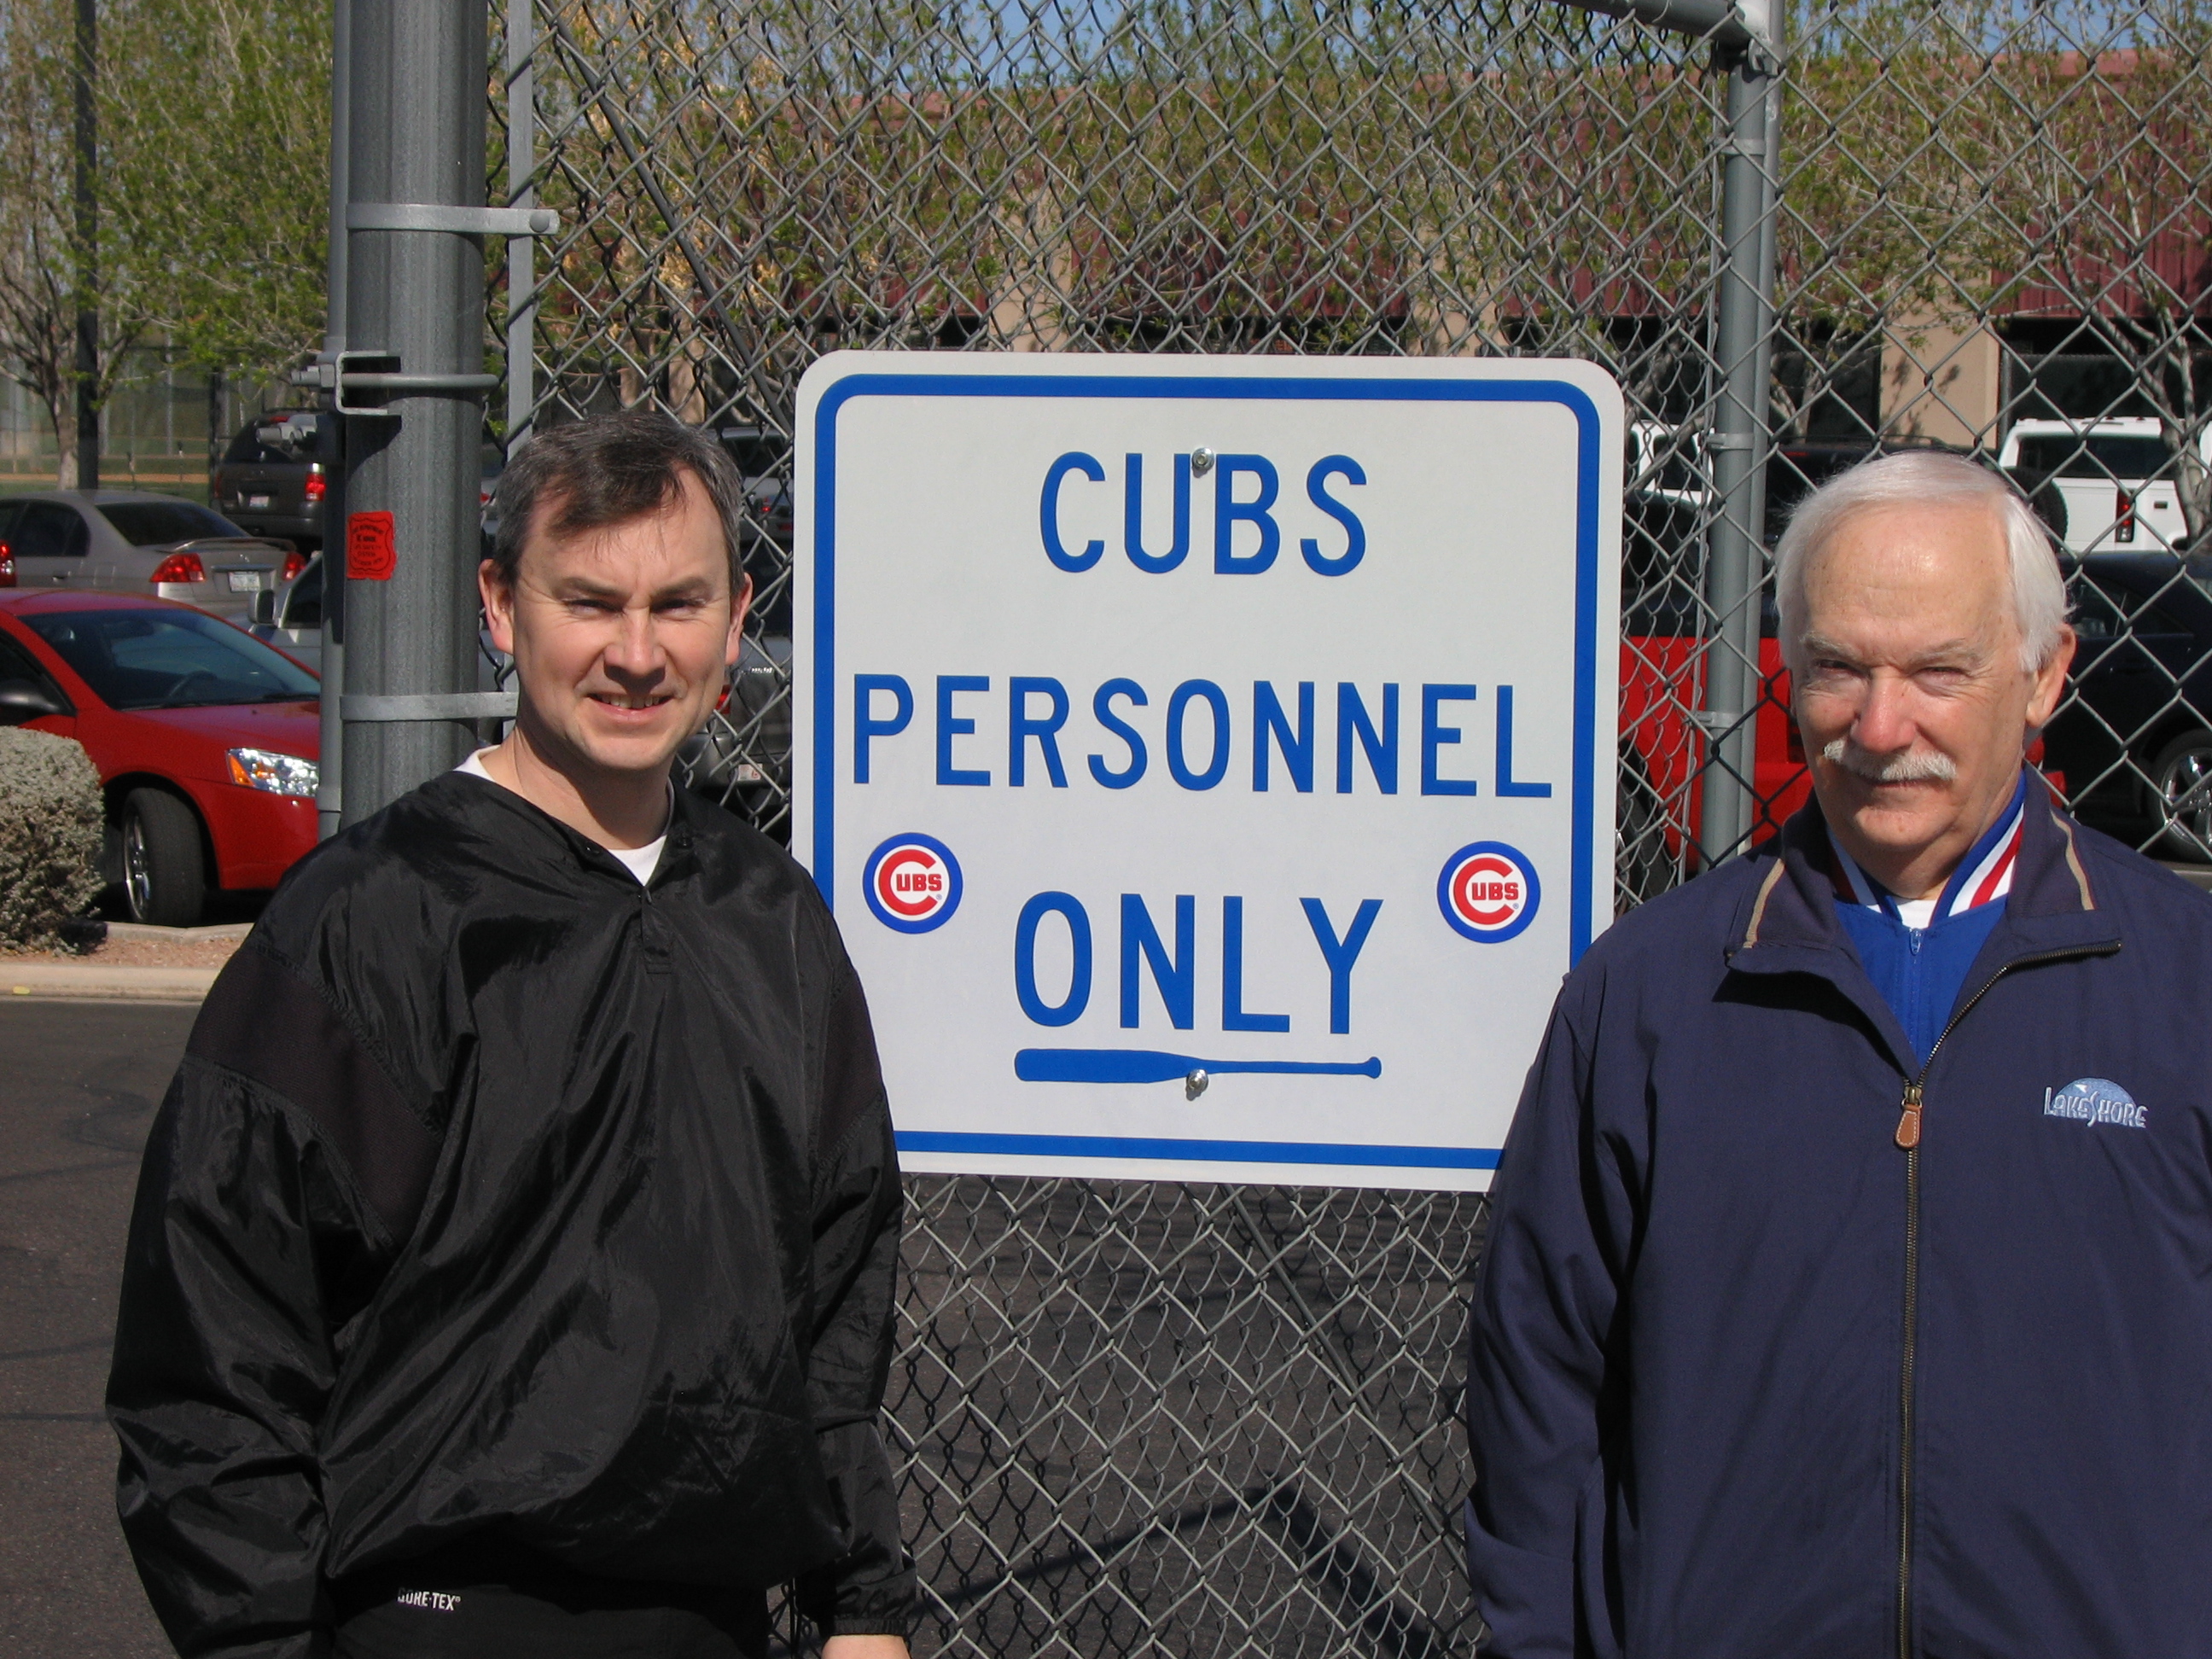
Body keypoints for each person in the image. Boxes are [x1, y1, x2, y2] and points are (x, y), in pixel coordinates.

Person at [108, 410, 915, 1659]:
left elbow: (835, 1305)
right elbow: (214, 1343)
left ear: (736, 616)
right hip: (433, 1613)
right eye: (588, 602)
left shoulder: (774, 921)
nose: (636, 654)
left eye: (679, 603)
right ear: (500, 606)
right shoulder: (375, 918)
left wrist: (861, 1606)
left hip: (710, 1619)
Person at [1464, 450, 2212, 1656]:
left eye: (1938, 671)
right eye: (1837, 668)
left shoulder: (2183, 986)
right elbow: (1538, 1387)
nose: (1880, 726)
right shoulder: (1653, 991)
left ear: (2044, 674)